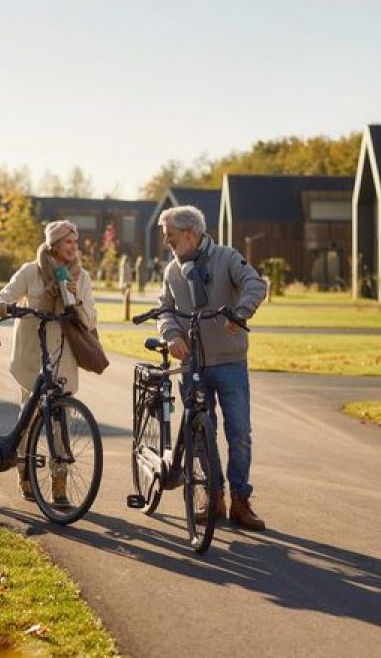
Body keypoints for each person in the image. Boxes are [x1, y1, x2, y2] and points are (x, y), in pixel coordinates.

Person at [156, 206, 268, 530]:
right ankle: (213, 495)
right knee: (202, 436)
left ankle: (240, 501)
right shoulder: (172, 271)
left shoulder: (227, 257)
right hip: (192, 365)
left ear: (190, 233)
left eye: (171, 236)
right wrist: (172, 334)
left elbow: (255, 285)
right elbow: (164, 310)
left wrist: (241, 313)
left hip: (229, 362)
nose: (167, 243)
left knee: (239, 434)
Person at [0, 220, 98, 504]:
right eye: (68, 242)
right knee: (31, 415)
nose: (74, 247)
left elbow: (90, 320)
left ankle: (59, 484)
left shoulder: (81, 277)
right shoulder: (30, 272)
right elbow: (5, 294)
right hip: (33, 357)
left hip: (63, 356)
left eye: (75, 242)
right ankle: (25, 472)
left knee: (61, 419)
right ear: (53, 245)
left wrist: (74, 298)